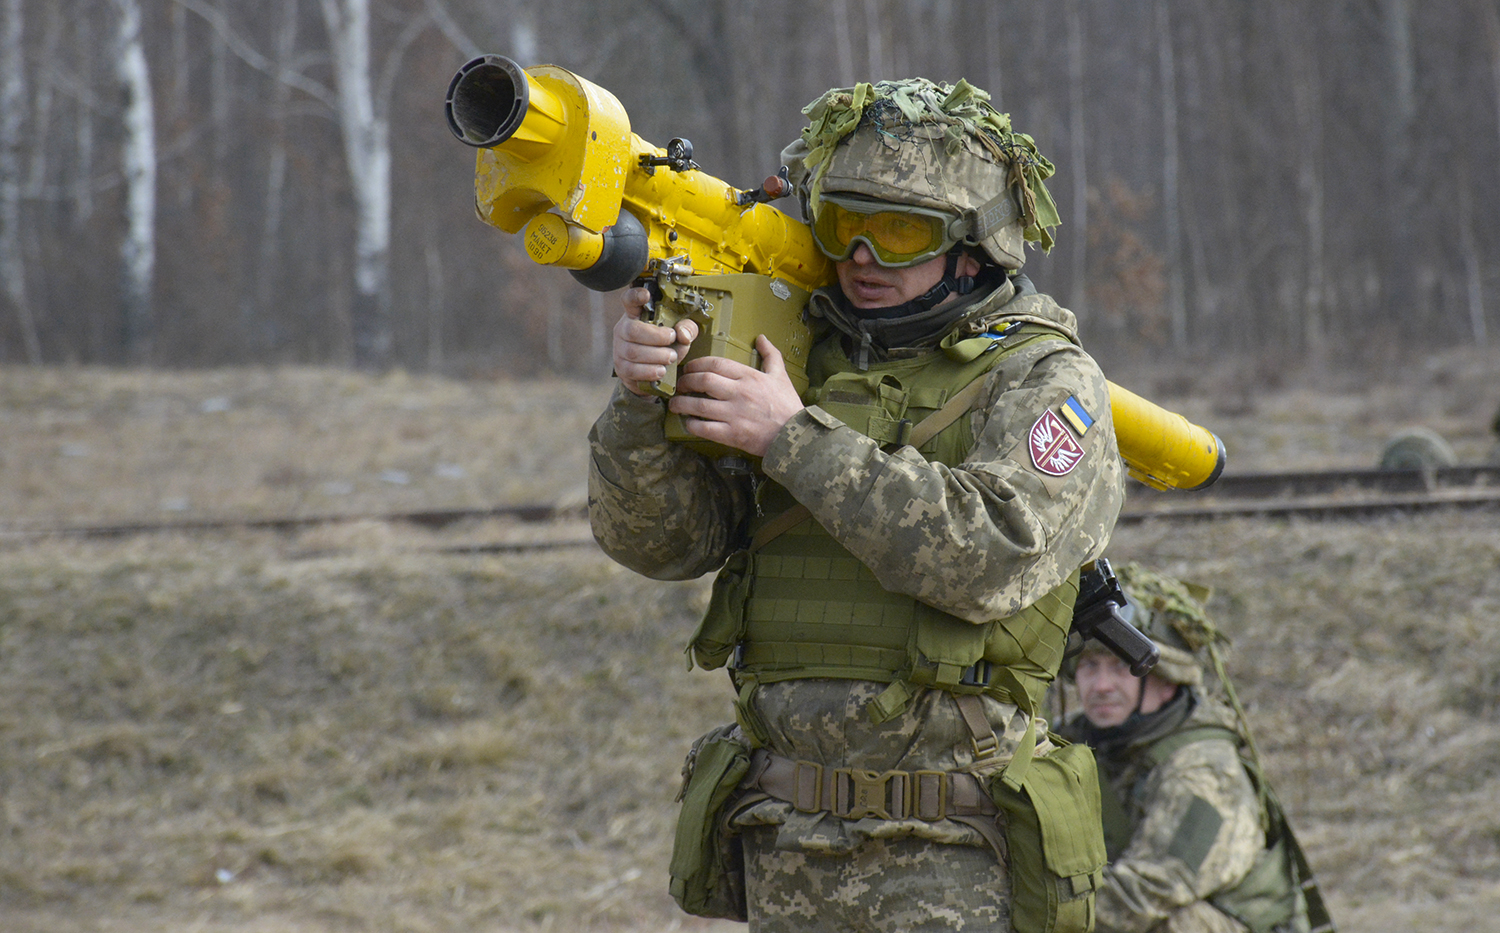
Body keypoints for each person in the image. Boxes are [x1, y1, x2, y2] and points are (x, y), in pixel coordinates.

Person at [589, 75, 1125, 932]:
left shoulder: (1044, 379)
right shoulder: (798, 354)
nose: (864, 257)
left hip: (955, 854)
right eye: (844, 227)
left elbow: (994, 553)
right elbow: (659, 543)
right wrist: (640, 400)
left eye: (902, 231)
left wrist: (792, 440)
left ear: (974, 245)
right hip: (785, 844)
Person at [1059, 563, 1334, 933]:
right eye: (1090, 665)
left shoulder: (1204, 769)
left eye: (1120, 666)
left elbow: (1144, 896)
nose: (1101, 685)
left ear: (1168, 681)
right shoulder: (1071, 742)